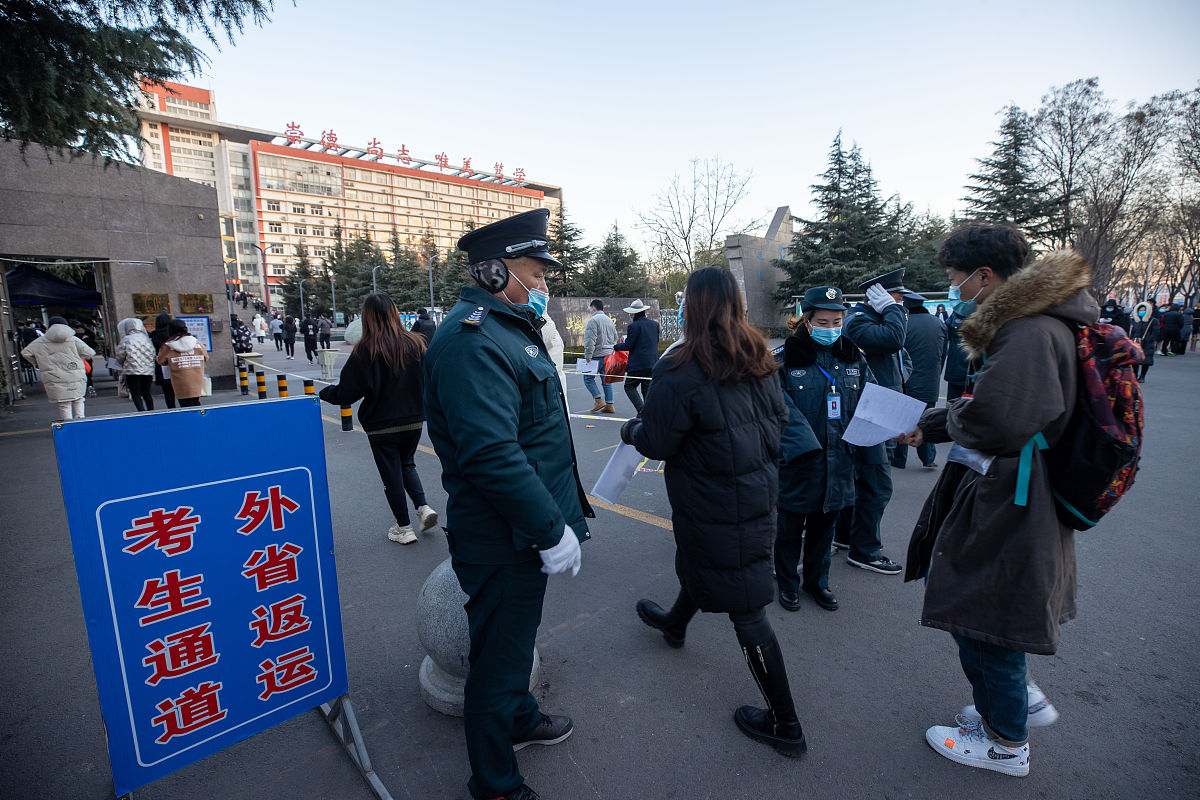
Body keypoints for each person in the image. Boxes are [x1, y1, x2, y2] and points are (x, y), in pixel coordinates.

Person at [899, 224, 1083, 778]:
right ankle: (1001, 709)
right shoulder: (1037, 322)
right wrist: (932, 425)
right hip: (1013, 489)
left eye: (956, 280)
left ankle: (1006, 742)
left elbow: (997, 418)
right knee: (980, 604)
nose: (953, 290)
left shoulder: (1026, 330)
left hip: (1014, 496)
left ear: (984, 276)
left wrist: (944, 419)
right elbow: (991, 404)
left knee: (986, 614)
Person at [424, 209, 593, 800]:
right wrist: (550, 528)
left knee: (514, 641)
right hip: (505, 535)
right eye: (536, 272)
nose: (545, 283)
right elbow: (492, 454)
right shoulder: (475, 340)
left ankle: (520, 717)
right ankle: (495, 783)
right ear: (495, 272)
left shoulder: (506, 329)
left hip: (521, 528)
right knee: (497, 662)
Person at [624, 266, 805, 758]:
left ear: (693, 307)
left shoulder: (682, 368)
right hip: (755, 492)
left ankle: (785, 723)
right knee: (710, 565)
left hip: (713, 500)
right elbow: (781, 421)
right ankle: (675, 624)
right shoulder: (759, 357)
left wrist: (630, 433)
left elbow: (657, 440)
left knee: (746, 607)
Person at [775, 286, 883, 614]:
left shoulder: (853, 359)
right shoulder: (783, 361)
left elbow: (872, 401)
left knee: (825, 532)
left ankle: (817, 582)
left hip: (840, 463)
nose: (831, 328)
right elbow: (777, 410)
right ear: (806, 321)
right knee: (790, 531)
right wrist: (800, 449)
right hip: (800, 463)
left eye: (837, 321)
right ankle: (787, 584)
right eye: (823, 321)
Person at [320, 294, 437, 544]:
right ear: (395, 313)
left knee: (391, 474)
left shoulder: (366, 348)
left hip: (382, 424)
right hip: (415, 419)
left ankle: (403, 528)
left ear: (368, 317)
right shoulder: (416, 343)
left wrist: (324, 393)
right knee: (407, 463)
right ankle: (423, 507)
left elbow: (348, 392)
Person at [833, 267, 907, 575]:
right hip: (870, 413)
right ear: (881, 297)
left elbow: (900, 357)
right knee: (877, 485)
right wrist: (892, 311)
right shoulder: (859, 321)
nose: (900, 305)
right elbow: (893, 341)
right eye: (896, 298)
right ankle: (866, 550)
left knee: (862, 480)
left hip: (882, 409)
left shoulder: (876, 319)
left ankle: (846, 536)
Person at [892, 293, 947, 469]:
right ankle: (928, 458)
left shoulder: (904, 324)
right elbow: (943, 354)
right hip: (931, 381)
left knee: (904, 420)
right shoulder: (938, 323)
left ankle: (899, 459)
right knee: (927, 417)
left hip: (908, 380)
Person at [20, 315, 94, 419]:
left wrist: (39, 362)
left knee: (64, 403)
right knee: (78, 399)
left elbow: (25, 353)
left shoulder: (41, 341)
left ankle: (68, 427)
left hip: (54, 376)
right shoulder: (73, 339)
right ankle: (80, 422)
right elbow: (90, 353)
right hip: (75, 374)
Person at [612, 298, 659, 415]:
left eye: (630, 313)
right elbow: (655, 342)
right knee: (646, 389)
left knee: (629, 386)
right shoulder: (654, 325)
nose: (630, 315)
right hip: (652, 363)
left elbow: (629, 345)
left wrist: (616, 346)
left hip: (638, 364)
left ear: (633, 313)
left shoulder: (633, 326)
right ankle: (648, 412)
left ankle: (642, 411)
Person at [155, 319, 207, 407]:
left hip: (180, 379)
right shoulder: (196, 342)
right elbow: (205, 357)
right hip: (196, 377)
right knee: (196, 402)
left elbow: (161, 360)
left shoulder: (168, 346)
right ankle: (199, 419)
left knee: (185, 404)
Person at [582, 299, 617, 413]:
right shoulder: (609, 320)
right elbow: (615, 337)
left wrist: (588, 355)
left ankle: (598, 400)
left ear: (593, 308)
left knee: (587, 378)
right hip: (608, 355)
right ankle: (610, 404)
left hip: (596, 355)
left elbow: (590, 340)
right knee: (606, 380)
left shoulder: (593, 320)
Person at [114, 317, 156, 411]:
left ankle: (141, 411)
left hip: (131, 370)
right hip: (148, 370)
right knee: (146, 392)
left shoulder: (126, 339)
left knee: (135, 393)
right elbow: (153, 353)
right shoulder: (147, 339)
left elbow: (120, 356)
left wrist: (121, 364)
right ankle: (151, 410)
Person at [149, 313, 176, 408]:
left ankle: (171, 409)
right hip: (176, 363)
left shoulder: (154, 336)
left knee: (167, 391)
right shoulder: (174, 334)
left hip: (162, 365)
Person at [1129, 309, 1159, 382]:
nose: (1141, 312)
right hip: (1136, 342)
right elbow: (1132, 331)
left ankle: (1142, 376)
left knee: (1146, 360)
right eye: (1140, 310)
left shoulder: (1153, 321)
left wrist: (1149, 339)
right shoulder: (1136, 320)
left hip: (1147, 343)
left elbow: (1155, 332)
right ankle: (1135, 375)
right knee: (1135, 360)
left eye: (1144, 310)